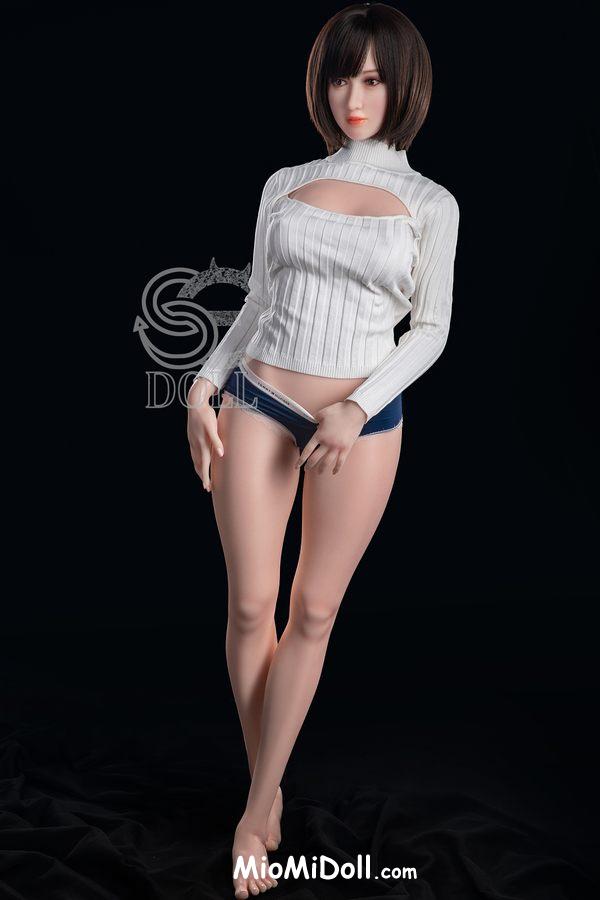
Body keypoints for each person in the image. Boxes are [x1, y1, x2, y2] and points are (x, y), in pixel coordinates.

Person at [186, 4, 460, 896]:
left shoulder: (431, 204)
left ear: (403, 86)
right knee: (249, 606)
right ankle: (263, 799)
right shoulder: (285, 182)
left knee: (312, 611)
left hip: (360, 426)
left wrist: (358, 406)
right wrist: (203, 380)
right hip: (260, 398)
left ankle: (255, 806)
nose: (355, 96)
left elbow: (431, 330)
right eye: (342, 76)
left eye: (373, 78)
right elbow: (259, 300)